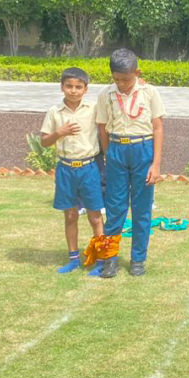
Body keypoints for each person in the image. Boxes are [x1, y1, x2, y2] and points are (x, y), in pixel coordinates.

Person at [95, 49, 164, 278]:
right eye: (117, 79)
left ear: (137, 73)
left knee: (142, 209)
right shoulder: (106, 95)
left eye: (126, 79)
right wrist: (108, 155)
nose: (122, 84)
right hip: (117, 149)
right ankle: (110, 259)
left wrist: (156, 164)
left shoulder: (149, 92)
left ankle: (138, 260)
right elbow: (102, 127)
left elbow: (158, 128)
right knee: (115, 208)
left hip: (143, 149)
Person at [41, 67, 106, 275]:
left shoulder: (93, 108)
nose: (73, 91)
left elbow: (106, 127)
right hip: (66, 169)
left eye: (78, 87)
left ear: (86, 89)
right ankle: (73, 258)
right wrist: (59, 132)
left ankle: (101, 259)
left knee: (95, 216)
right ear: (62, 87)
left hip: (89, 168)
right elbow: (44, 141)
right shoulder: (55, 112)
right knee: (70, 215)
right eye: (69, 86)